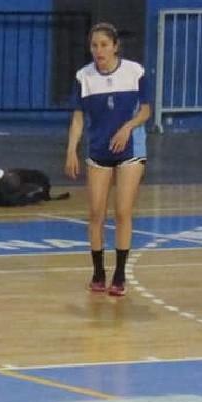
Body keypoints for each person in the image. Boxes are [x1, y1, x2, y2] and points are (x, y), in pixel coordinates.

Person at [64, 22, 151, 297]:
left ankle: (120, 274)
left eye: (103, 45)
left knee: (123, 211)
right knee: (95, 213)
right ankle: (98, 272)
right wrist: (71, 150)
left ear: (115, 46)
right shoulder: (84, 77)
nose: (98, 50)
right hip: (99, 148)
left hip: (130, 149)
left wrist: (127, 127)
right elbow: (78, 118)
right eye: (94, 45)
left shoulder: (134, 72)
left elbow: (146, 111)